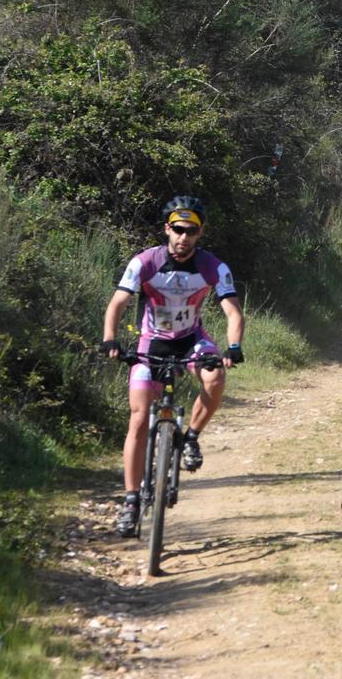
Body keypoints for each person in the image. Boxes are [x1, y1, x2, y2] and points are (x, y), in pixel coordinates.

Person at [101, 196, 245, 538]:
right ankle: (132, 500)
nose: (184, 236)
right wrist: (110, 339)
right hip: (152, 341)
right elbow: (118, 301)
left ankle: (191, 437)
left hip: (192, 338)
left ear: (200, 232)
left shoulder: (213, 266)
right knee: (138, 419)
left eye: (191, 230)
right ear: (167, 228)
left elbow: (233, 311)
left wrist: (233, 347)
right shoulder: (145, 262)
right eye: (178, 229)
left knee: (215, 378)